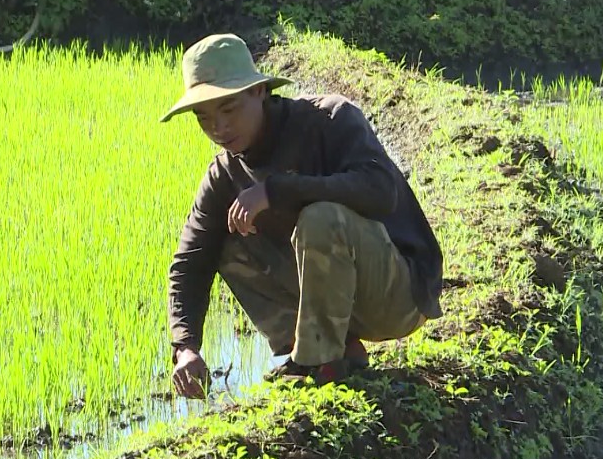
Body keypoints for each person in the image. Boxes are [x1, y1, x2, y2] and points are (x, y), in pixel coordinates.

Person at [160, 34, 444, 398]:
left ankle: (317, 361)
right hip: (336, 302)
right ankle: (321, 349)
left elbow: (380, 190)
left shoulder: (328, 119)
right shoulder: (224, 175)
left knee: (321, 218)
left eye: (228, 109)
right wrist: (185, 347)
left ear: (259, 91)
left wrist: (277, 191)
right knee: (224, 239)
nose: (218, 128)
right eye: (204, 117)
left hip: (396, 295)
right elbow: (189, 261)